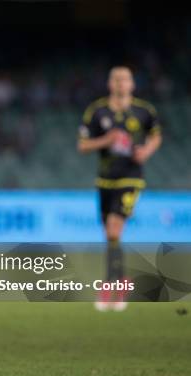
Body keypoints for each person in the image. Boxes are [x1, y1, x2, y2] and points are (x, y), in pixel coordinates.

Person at [77, 66, 162, 311]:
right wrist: (106, 139)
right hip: (105, 180)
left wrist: (146, 150)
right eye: (116, 79)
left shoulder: (145, 111)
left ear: (132, 84)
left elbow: (156, 136)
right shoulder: (97, 111)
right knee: (109, 235)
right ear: (109, 83)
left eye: (125, 79)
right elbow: (82, 145)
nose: (120, 83)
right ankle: (119, 281)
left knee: (114, 229)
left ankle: (111, 286)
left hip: (131, 178)